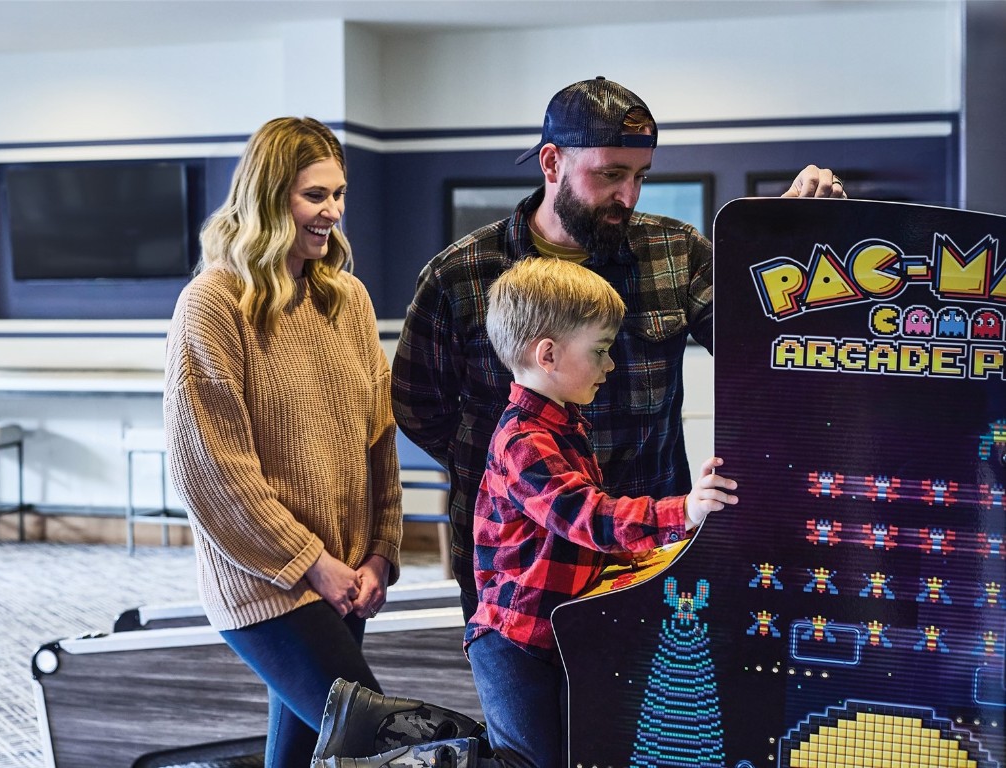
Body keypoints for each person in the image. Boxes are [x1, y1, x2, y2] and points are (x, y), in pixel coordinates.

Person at [391, 76, 845, 621]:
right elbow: (419, 407)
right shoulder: (460, 274)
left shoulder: (674, 251)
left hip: (650, 552)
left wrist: (792, 241)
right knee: (528, 703)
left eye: (639, 176)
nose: (628, 196)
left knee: (651, 703)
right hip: (521, 565)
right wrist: (520, 471)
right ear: (552, 161)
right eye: (610, 175)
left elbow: (758, 348)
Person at [308, 258, 738, 768]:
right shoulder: (524, 441)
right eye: (599, 350)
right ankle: (379, 743)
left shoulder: (563, 426)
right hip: (514, 641)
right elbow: (587, 517)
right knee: (522, 764)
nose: (610, 366)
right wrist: (682, 510)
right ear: (548, 354)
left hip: (551, 631)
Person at [164, 116, 416, 768]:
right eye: (314, 195)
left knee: (304, 756)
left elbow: (376, 438)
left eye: (338, 194)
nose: (331, 211)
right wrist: (313, 563)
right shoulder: (212, 303)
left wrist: (380, 553)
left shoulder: (347, 298)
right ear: (269, 197)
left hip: (346, 576)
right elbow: (212, 471)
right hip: (264, 583)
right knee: (387, 747)